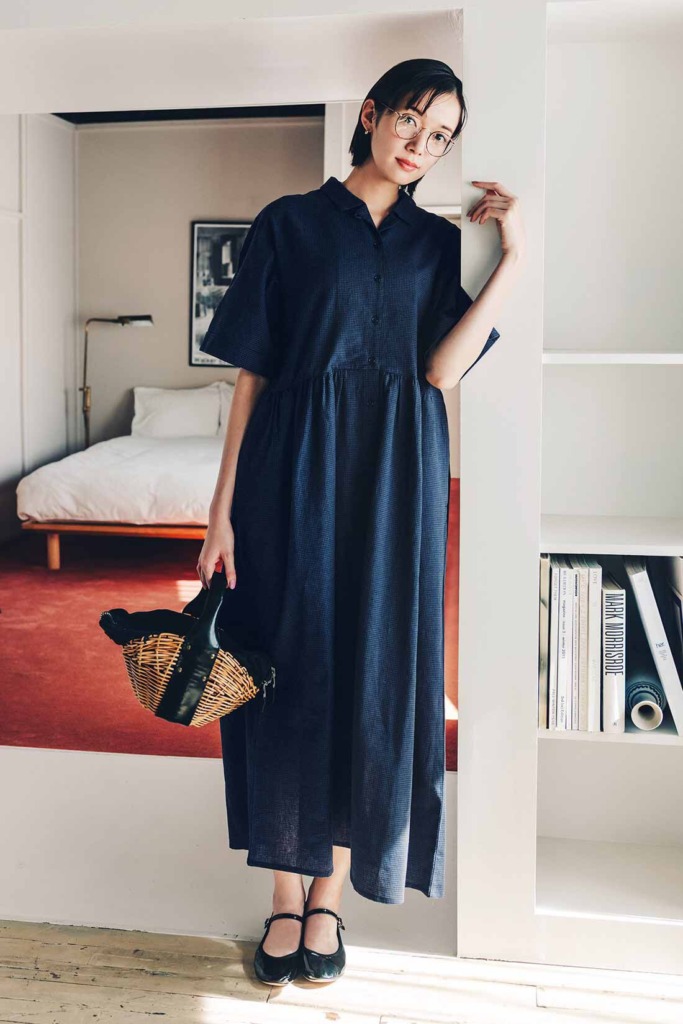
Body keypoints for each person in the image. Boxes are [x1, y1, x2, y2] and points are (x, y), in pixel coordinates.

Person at [196, 57, 526, 985]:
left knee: (374, 674)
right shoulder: (289, 223)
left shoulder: (435, 244)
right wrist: (220, 512)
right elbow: (251, 374)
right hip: (289, 473)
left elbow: (442, 371)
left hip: (397, 481)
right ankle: (283, 896)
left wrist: (513, 260)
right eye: (411, 120)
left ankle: (329, 898)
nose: (421, 144)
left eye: (441, 135)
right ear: (372, 113)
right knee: (284, 671)